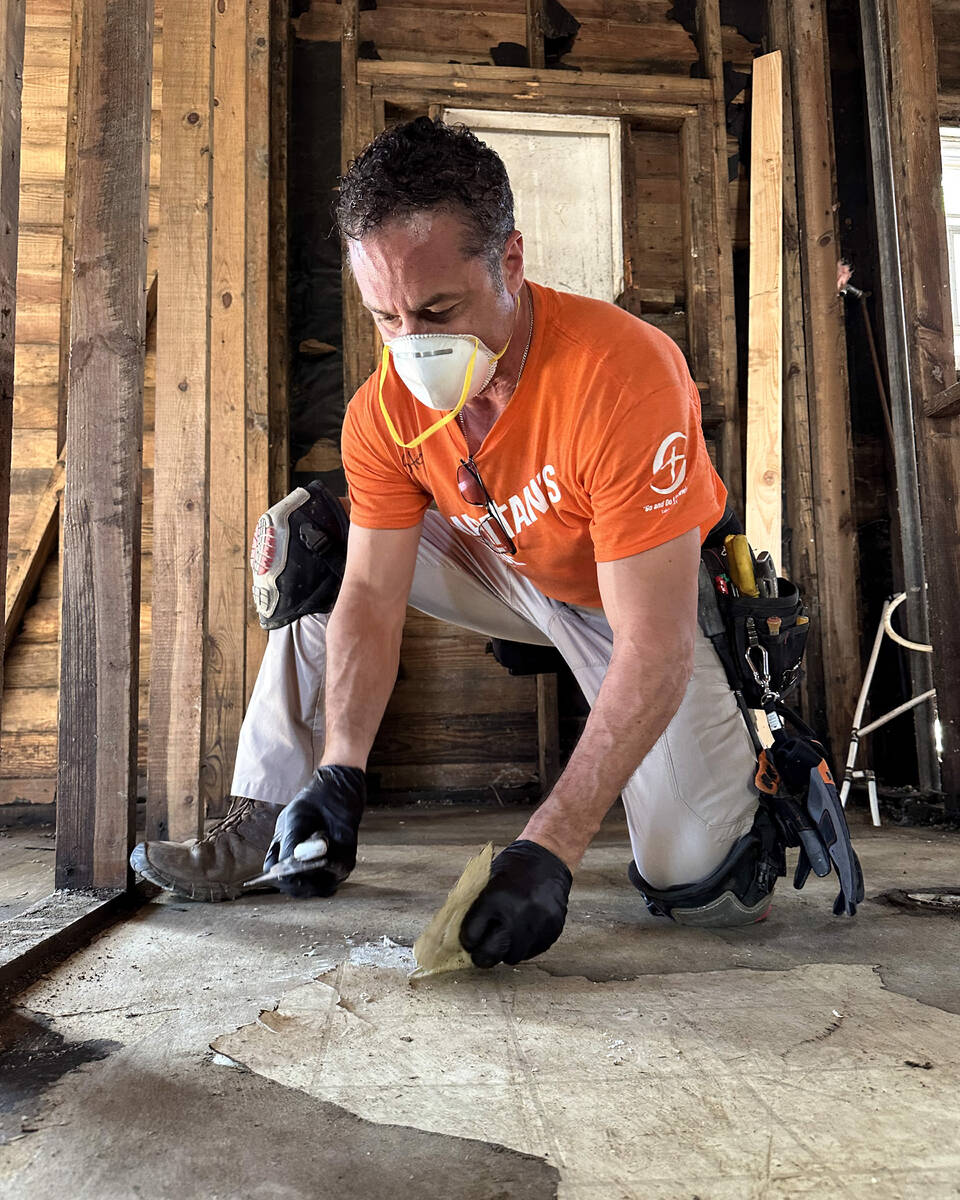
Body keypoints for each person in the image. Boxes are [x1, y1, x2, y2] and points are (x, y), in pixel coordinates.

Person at [131, 117, 784, 966]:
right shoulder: (384, 408)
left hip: (630, 596)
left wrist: (547, 846)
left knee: (693, 875)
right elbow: (368, 594)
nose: (412, 345)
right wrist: (343, 770)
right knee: (316, 550)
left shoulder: (623, 374)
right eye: (385, 316)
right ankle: (279, 816)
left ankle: (744, 799)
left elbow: (653, 647)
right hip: (506, 563)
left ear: (509, 262)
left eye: (438, 310)